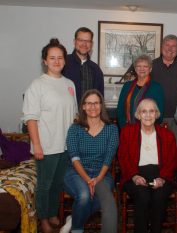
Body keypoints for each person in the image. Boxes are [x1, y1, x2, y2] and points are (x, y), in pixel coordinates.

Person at [22, 38, 77, 233]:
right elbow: (31, 118)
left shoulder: (70, 84)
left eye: (60, 57)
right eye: (52, 58)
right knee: (44, 186)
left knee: (57, 183)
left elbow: (74, 115)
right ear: (45, 61)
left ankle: (53, 213)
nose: (56, 61)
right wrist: (36, 145)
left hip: (65, 146)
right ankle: (43, 219)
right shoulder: (37, 85)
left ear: (64, 60)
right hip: (46, 145)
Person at [63, 89, 118, 233]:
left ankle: (73, 218)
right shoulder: (74, 129)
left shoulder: (111, 129)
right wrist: (88, 180)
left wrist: (98, 178)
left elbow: (108, 158)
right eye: (89, 103)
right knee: (84, 195)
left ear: (101, 106)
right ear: (83, 106)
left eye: (96, 103)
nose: (93, 107)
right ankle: (77, 228)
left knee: (103, 200)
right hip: (76, 172)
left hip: (102, 173)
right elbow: (74, 158)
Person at [118, 98, 176, 233]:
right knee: (142, 196)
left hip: (161, 173)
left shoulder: (167, 135)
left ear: (157, 114)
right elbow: (123, 157)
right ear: (138, 115)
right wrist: (134, 176)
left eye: (152, 111)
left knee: (159, 196)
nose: (148, 115)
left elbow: (172, 160)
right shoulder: (127, 132)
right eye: (144, 111)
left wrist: (162, 178)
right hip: (134, 173)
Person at [124, 34, 177, 139]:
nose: (170, 49)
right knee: (156, 149)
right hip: (153, 118)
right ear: (161, 47)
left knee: (176, 149)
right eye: (167, 45)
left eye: (173, 46)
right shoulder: (151, 66)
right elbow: (138, 84)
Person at [117, 54, 164, 128]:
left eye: (145, 66)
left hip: (150, 129)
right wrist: (124, 128)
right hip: (129, 129)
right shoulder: (127, 86)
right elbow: (120, 110)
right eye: (139, 66)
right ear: (135, 69)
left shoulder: (156, 87)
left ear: (150, 69)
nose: (142, 69)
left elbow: (159, 114)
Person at [63, 27, 104, 104]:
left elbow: (100, 99)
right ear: (74, 42)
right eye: (81, 40)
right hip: (67, 114)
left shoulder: (96, 69)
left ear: (91, 44)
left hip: (89, 114)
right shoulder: (63, 63)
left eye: (88, 41)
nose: (84, 44)